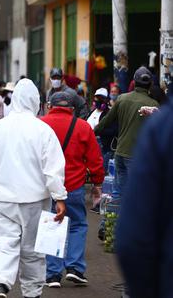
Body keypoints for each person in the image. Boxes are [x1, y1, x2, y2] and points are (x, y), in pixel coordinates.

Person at [0, 78, 67, 298]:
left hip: (3, 198)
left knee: (4, 243)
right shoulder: (43, 130)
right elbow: (53, 168)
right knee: (33, 249)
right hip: (36, 200)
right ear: (36, 101)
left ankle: (0, 284)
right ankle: (32, 292)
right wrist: (59, 196)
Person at [41, 91, 104, 288]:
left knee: (52, 224)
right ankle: (75, 268)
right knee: (77, 224)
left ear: (50, 105)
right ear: (73, 108)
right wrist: (97, 182)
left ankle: (52, 274)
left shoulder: (41, 124)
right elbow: (94, 158)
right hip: (73, 184)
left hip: (47, 186)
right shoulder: (82, 126)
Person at [115, 100, 172, 298]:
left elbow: (133, 235)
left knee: (124, 197)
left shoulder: (163, 127)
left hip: (123, 151)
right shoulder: (160, 118)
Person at [94, 66, 159, 200]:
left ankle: (114, 220)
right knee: (139, 195)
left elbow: (106, 122)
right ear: (150, 84)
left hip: (120, 153)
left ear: (134, 82)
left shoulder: (122, 99)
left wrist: (93, 132)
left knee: (118, 193)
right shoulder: (153, 104)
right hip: (138, 156)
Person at [87, 88, 117, 172]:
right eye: (97, 98)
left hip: (103, 147)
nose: (98, 100)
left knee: (102, 172)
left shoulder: (110, 113)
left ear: (106, 100)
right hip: (90, 146)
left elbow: (114, 130)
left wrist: (98, 131)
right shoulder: (91, 112)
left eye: (101, 98)